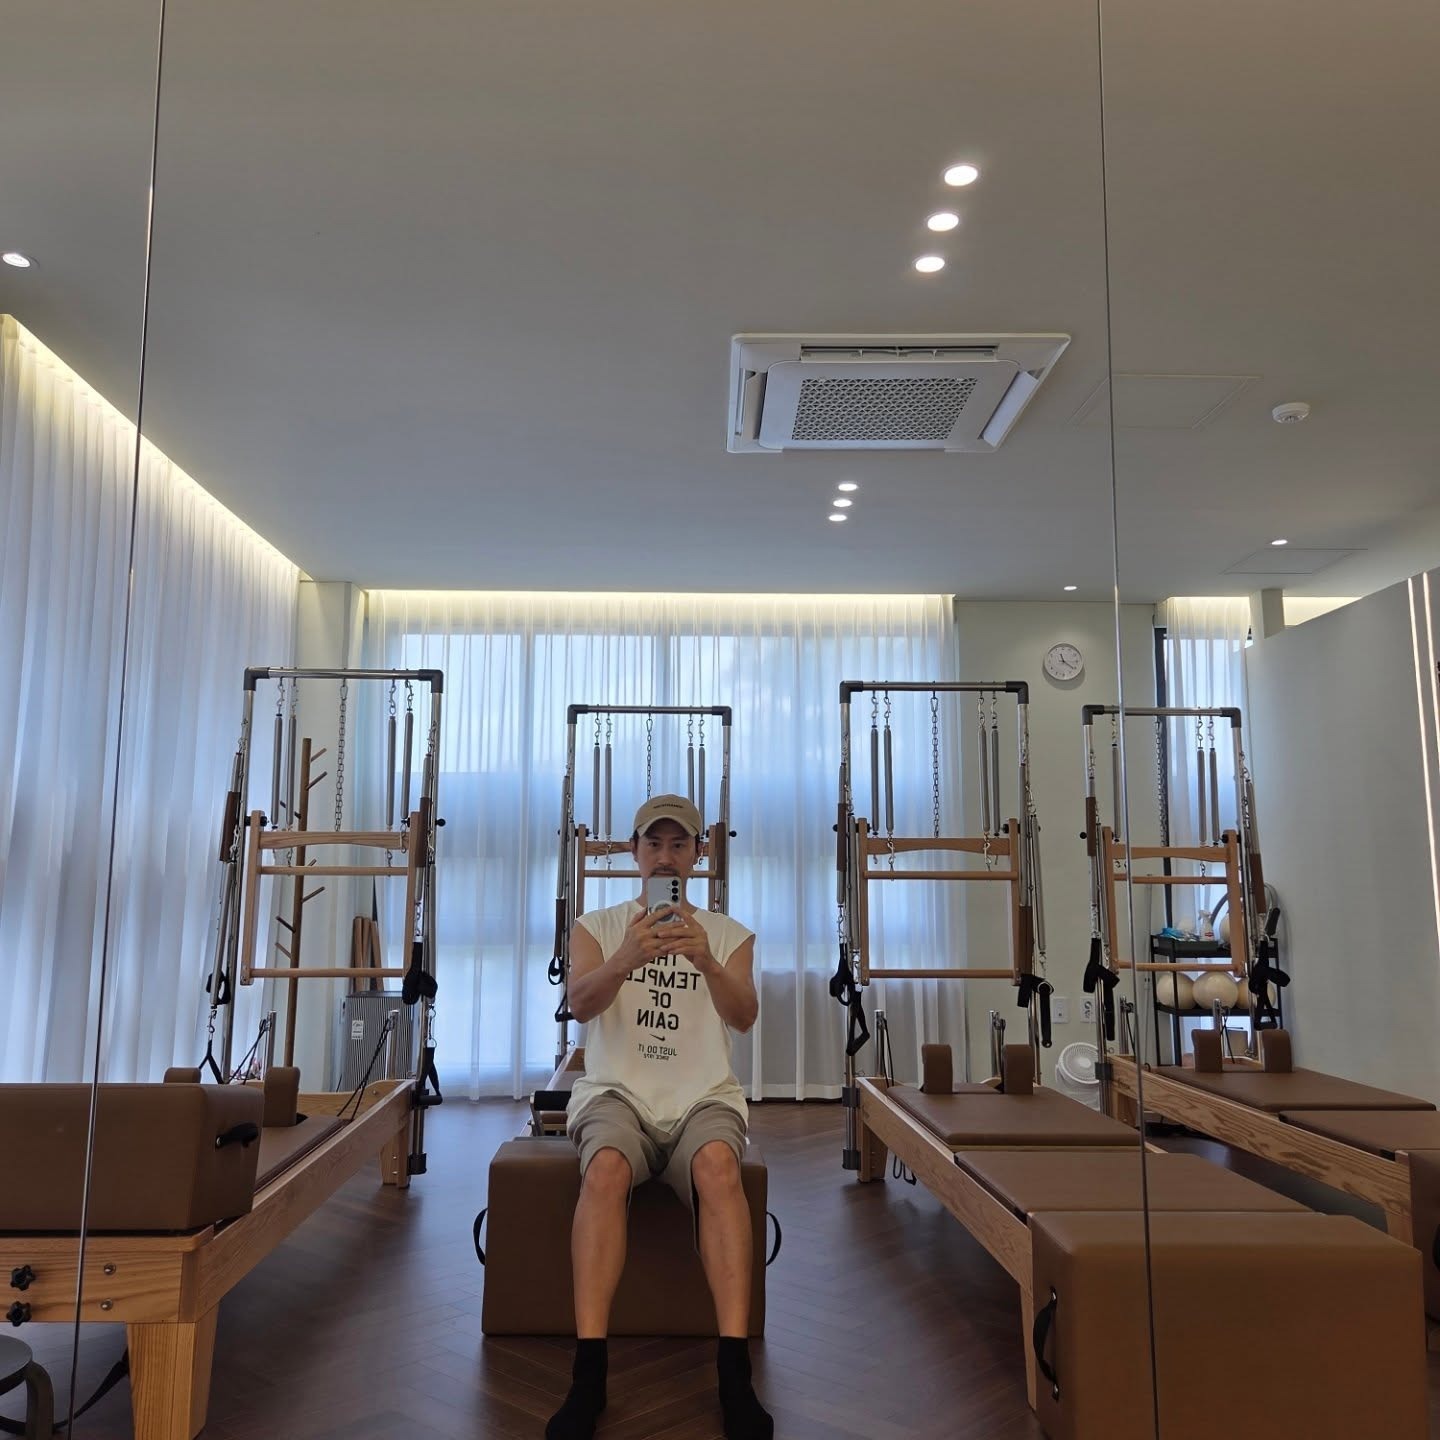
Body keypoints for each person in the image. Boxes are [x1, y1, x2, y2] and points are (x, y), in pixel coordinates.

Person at [545, 794, 773, 1440]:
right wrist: (626, 958)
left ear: (698, 854)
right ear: (634, 852)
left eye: (679, 844)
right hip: (617, 1094)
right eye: (654, 844)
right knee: (606, 1169)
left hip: (703, 1097)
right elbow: (579, 1005)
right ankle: (589, 1373)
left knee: (719, 1167)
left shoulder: (729, 935)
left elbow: (744, 1017)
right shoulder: (597, 927)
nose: (665, 856)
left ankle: (734, 1373)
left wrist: (704, 960)